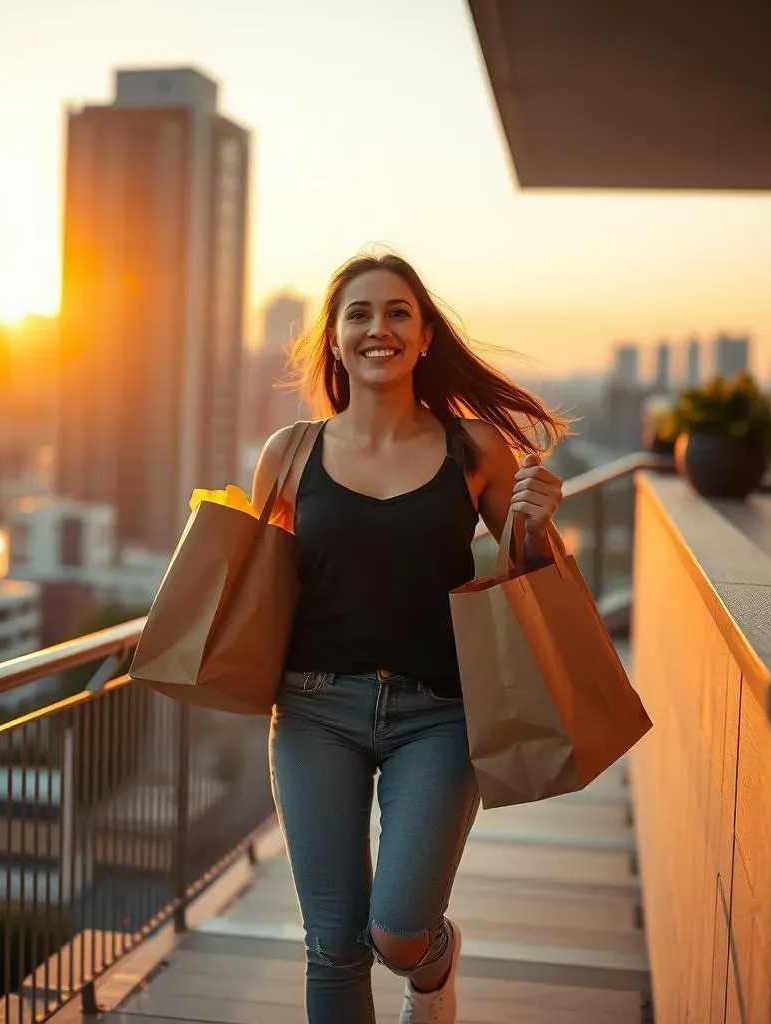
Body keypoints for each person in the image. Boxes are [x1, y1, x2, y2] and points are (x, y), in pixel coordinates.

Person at [251, 252, 568, 1024]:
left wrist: (532, 524)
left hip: (442, 715)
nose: (377, 328)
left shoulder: (476, 448)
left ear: (426, 336)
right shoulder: (289, 454)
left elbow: (533, 588)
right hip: (313, 712)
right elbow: (261, 592)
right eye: (358, 314)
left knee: (396, 933)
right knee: (333, 946)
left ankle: (433, 965)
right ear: (333, 341)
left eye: (397, 313)